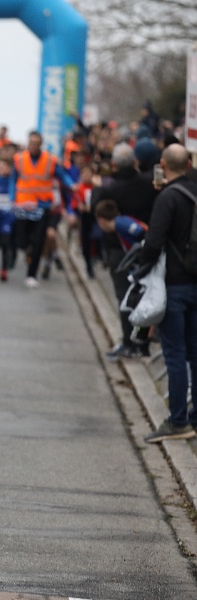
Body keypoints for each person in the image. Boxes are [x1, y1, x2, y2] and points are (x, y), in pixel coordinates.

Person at [136, 145, 197, 443]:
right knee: (195, 354)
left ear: (162, 164)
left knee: (174, 354)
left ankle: (177, 421)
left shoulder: (168, 198)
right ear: (188, 163)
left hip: (173, 284)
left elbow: (154, 241)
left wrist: (140, 269)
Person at [91, 142, 159, 359]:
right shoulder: (149, 184)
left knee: (125, 296)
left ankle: (129, 342)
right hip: (147, 247)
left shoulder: (109, 189)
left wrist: (96, 188)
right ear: (134, 162)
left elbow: (95, 209)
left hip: (119, 250)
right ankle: (142, 341)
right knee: (146, 295)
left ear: (113, 164)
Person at [10, 130, 74, 288]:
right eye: (31, 143)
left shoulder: (50, 160)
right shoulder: (19, 159)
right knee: (22, 240)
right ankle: (28, 250)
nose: (33, 146)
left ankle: (31, 274)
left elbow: (61, 175)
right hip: (23, 205)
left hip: (42, 205)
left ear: (41, 144)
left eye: (36, 143)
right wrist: (12, 198)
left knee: (39, 241)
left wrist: (71, 184)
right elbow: (14, 180)